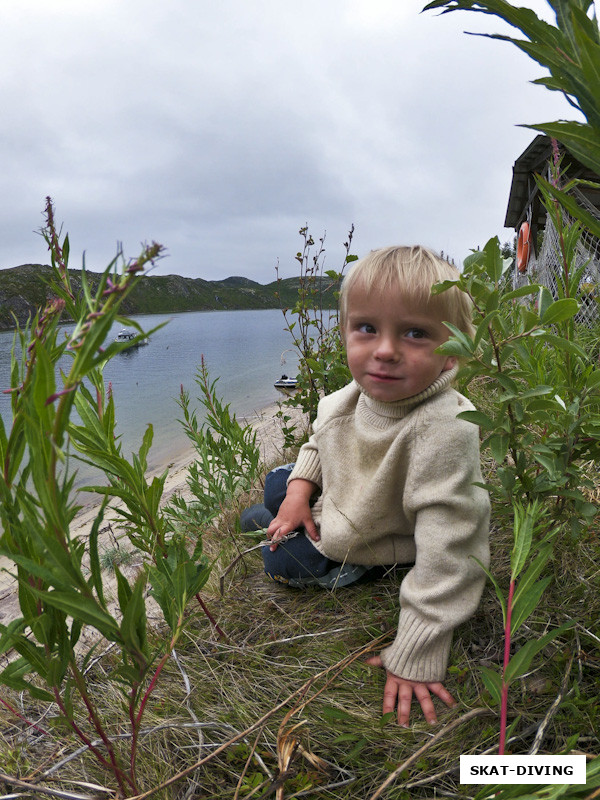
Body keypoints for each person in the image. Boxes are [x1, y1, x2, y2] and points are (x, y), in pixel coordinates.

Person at [241, 245, 490, 726]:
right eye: (367, 328)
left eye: (416, 333)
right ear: (346, 330)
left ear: (454, 349)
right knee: (280, 484)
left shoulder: (443, 431)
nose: (385, 350)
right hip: (347, 495)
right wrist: (298, 494)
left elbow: (452, 549)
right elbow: (319, 442)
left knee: (281, 557)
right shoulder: (351, 396)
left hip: (372, 536)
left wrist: (418, 648)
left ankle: (337, 558)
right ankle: (285, 514)